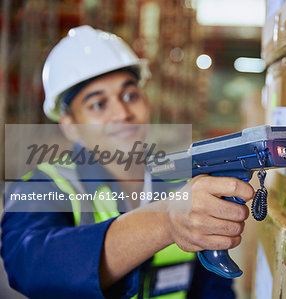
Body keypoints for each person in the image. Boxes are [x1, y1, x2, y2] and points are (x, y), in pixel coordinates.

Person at [1, 25, 254, 298]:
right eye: (98, 104)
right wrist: (166, 221)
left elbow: (211, 288)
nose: (122, 113)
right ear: (70, 126)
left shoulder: (180, 180)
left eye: (130, 95)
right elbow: (32, 266)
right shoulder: (41, 186)